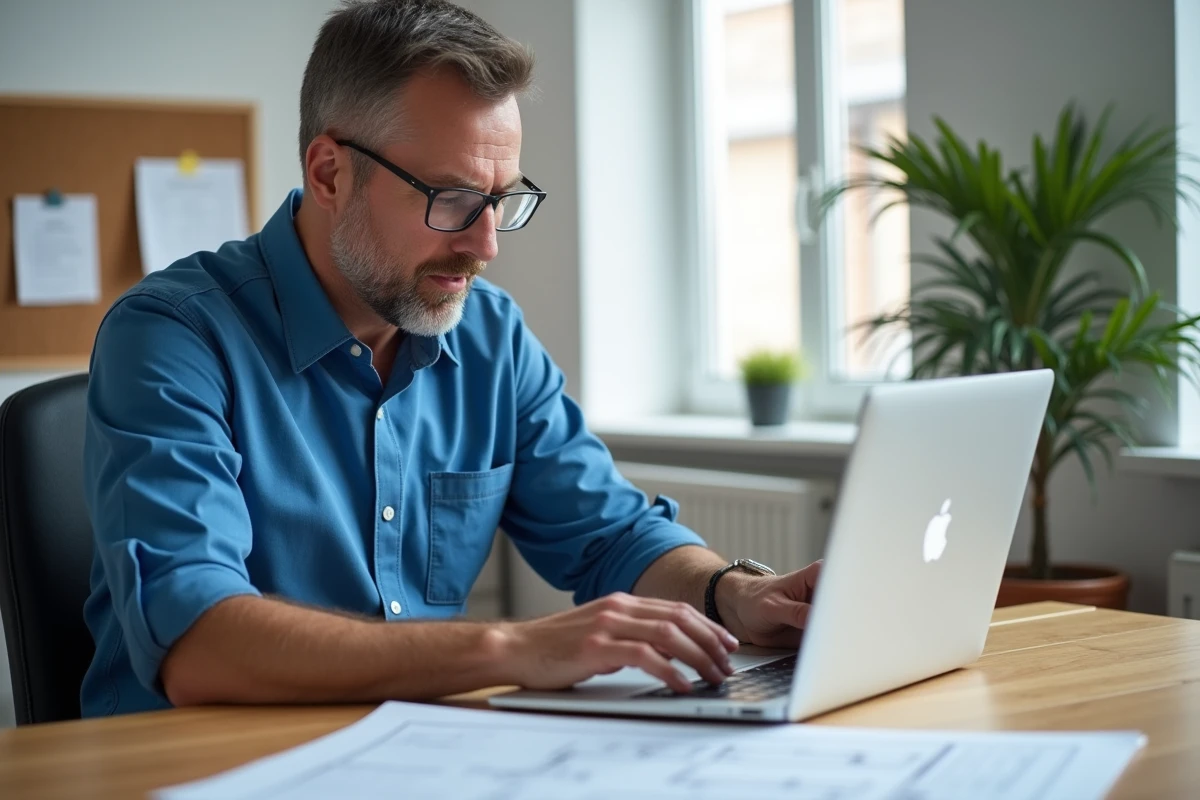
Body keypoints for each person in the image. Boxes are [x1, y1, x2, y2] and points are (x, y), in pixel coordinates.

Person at [81, 0, 822, 717]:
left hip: (415, 750)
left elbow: (613, 536)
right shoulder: (172, 336)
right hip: (195, 763)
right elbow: (200, 641)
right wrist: (510, 648)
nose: (485, 245)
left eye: (501, 200)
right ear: (330, 173)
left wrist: (734, 593)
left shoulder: (489, 334)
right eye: (453, 198)